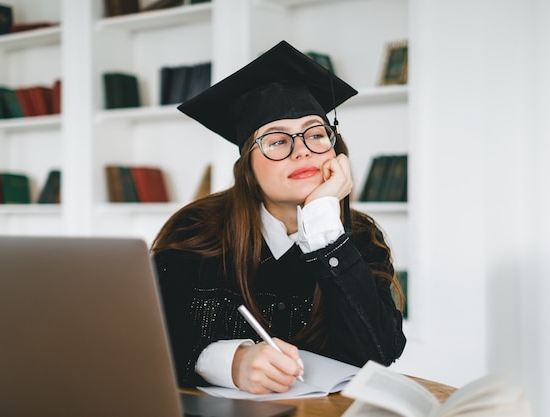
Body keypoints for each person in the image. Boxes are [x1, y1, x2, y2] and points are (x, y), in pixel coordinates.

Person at [151, 40, 406, 395]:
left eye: (316, 134)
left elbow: (377, 354)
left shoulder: (360, 238)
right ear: (248, 167)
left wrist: (325, 232)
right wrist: (230, 361)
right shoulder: (196, 231)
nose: (302, 149)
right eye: (276, 140)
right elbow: (144, 336)